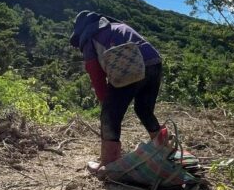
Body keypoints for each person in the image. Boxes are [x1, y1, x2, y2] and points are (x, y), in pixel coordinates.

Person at [69, 11, 167, 170]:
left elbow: (95, 73)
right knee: (144, 109)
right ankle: (163, 148)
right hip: (154, 61)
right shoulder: (118, 26)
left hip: (130, 66)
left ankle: (110, 163)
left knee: (109, 115)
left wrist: (105, 103)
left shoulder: (89, 38)